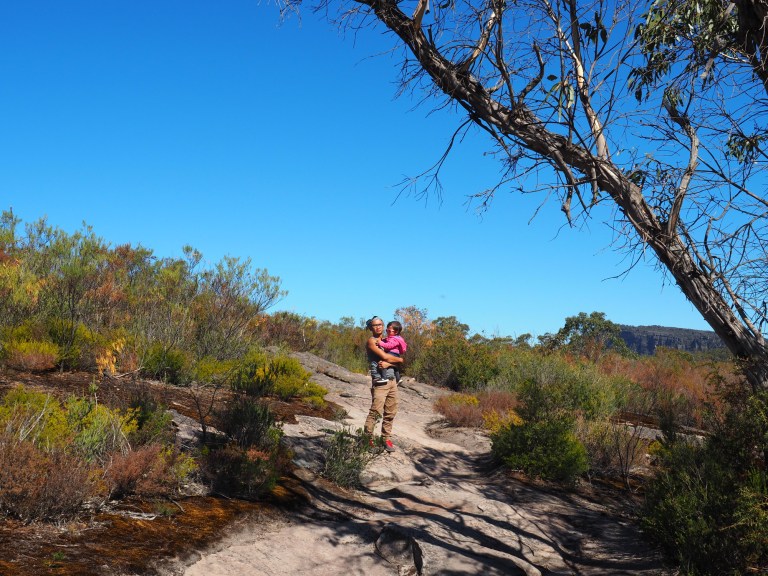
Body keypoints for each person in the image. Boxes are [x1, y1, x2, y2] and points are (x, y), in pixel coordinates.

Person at [363, 316, 405, 452]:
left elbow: (399, 359)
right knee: (376, 411)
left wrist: (392, 362)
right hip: (380, 383)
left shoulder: (388, 340)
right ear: (371, 328)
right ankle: (367, 439)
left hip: (392, 380)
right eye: (375, 325)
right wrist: (396, 360)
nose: (378, 327)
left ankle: (385, 438)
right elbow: (387, 357)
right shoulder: (372, 341)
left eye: (380, 324)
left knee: (391, 411)